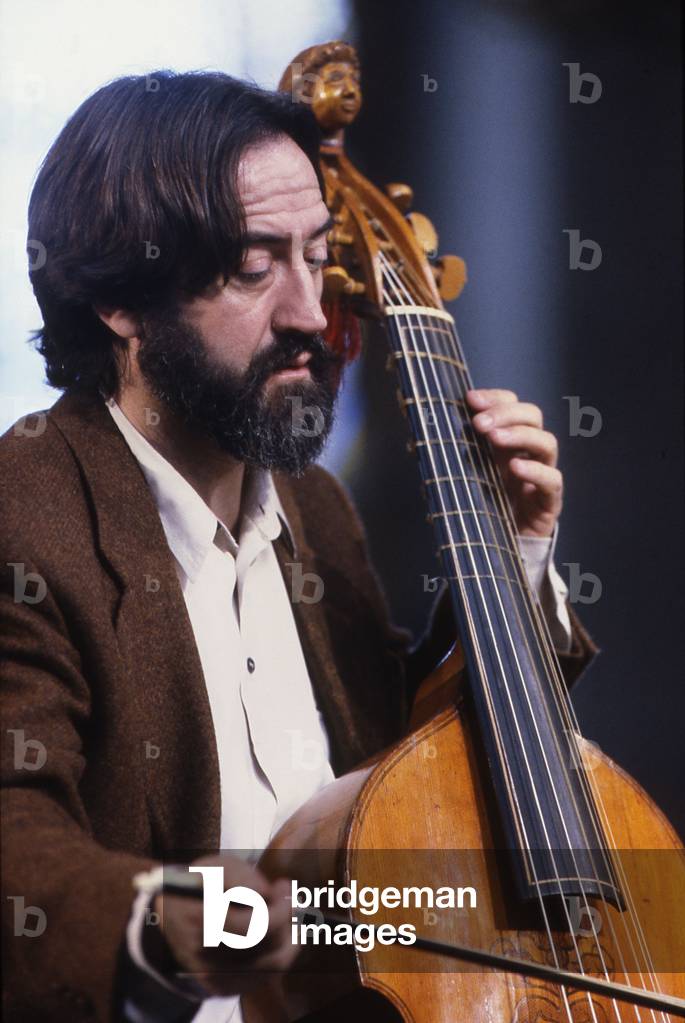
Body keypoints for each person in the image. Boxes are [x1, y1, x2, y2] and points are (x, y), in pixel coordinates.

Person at [0, 70, 596, 1023]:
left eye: (317, 258)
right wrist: (162, 922)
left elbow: (411, 776)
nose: (312, 314)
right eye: (252, 266)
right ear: (122, 300)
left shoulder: (316, 511)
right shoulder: (24, 512)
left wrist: (514, 560)